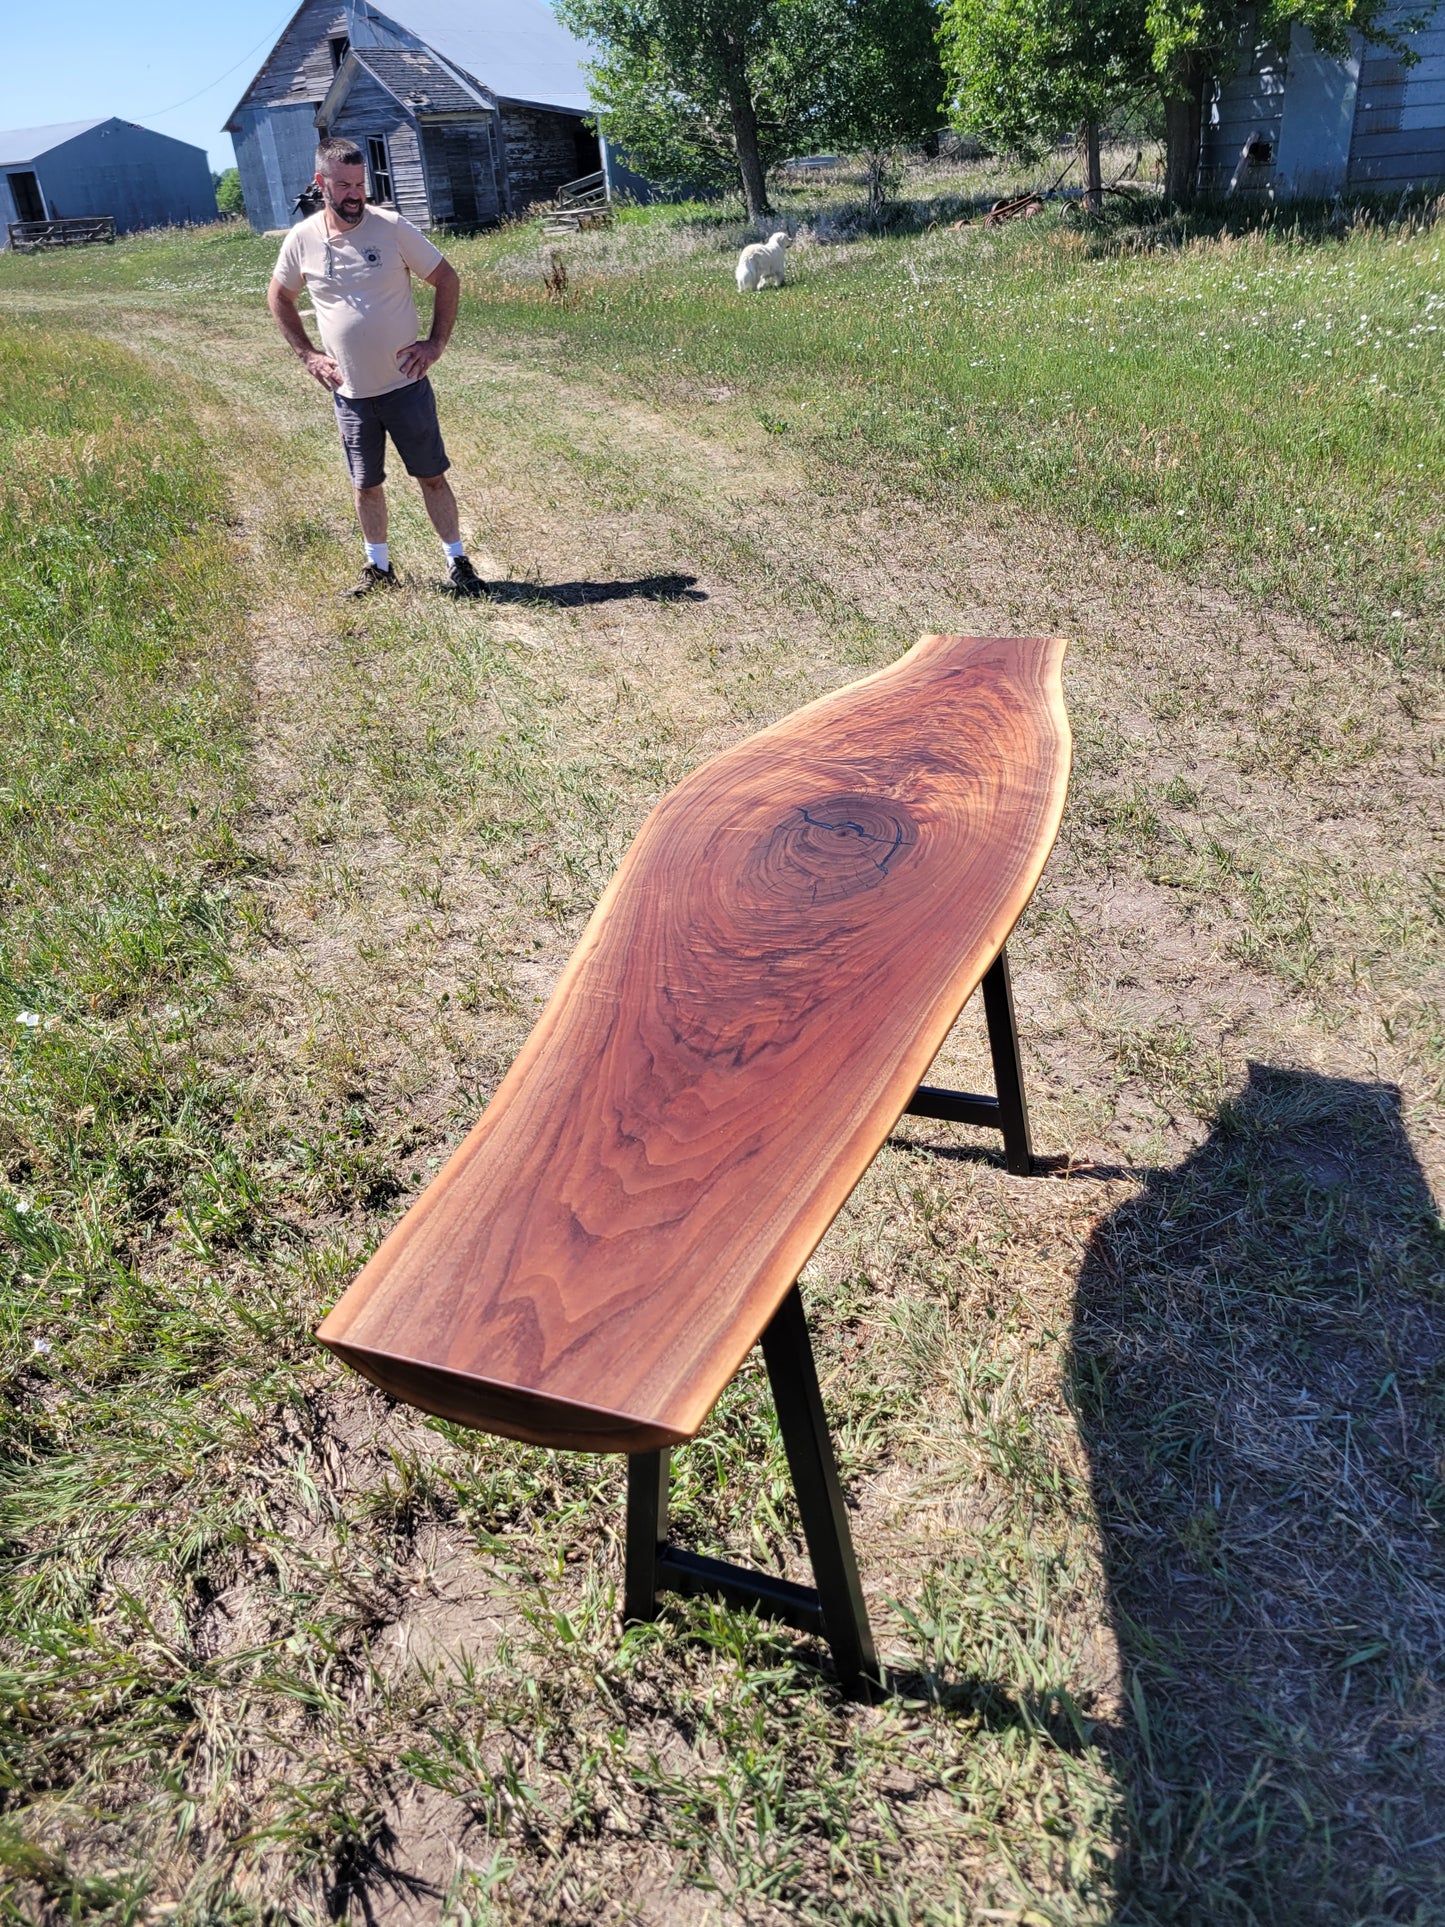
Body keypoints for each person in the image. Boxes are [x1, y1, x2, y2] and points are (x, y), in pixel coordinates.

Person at [266, 136, 486, 599]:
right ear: (320, 183)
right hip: (350, 394)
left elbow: (447, 278)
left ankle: (458, 562)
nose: (355, 194)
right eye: (343, 184)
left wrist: (436, 343)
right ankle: (379, 568)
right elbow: (279, 297)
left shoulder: (391, 227)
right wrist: (308, 355)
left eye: (361, 184)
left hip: (405, 384)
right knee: (366, 485)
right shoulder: (302, 239)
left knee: (431, 476)